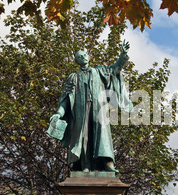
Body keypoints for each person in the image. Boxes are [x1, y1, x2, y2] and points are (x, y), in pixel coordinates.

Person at [48, 40, 132, 172]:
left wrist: (123, 55)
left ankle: (108, 163)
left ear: (88, 56)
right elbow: (66, 99)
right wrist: (59, 113)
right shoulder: (73, 77)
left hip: (99, 110)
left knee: (102, 136)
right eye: (79, 56)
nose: (83, 57)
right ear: (77, 61)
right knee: (84, 137)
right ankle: (85, 165)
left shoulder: (100, 71)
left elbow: (115, 68)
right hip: (81, 112)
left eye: (84, 54)